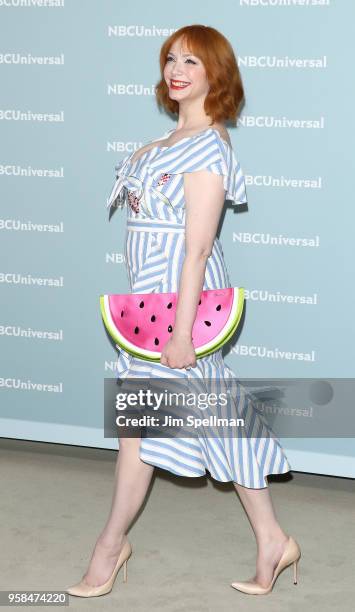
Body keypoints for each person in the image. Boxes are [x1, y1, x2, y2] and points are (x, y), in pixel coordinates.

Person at [66, 24, 301, 599]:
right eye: (171, 58)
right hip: (149, 300)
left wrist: (179, 330)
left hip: (181, 306)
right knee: (212, 420)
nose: (177, 69)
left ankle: (109, 547)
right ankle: (273, 539)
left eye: (192, 61)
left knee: (140, 429)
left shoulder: (209, 147)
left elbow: (197, 247)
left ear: (215, 74)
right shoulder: (162, 144)